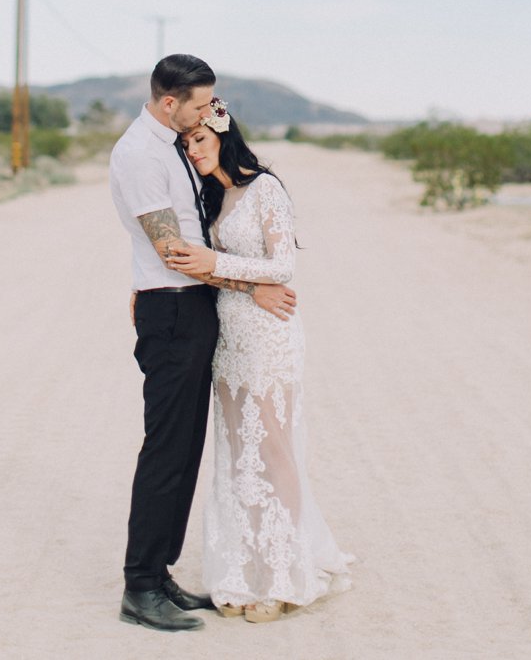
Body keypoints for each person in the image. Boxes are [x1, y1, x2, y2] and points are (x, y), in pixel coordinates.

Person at [110, 56, 297, 632]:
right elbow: (172, 252)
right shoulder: (141, 154)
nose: (208, 113)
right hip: (172, 310)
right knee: (166, 448)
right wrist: (253, 285)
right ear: (171, 103)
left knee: (186, 447)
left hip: (193, 307)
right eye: (199, 104)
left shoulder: (172, 144)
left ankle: (160, 572)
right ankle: (140, 585)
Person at [169, 97, 352, 622]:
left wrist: (223, 266)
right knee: (237, 453)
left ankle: (280, 574)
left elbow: (283, 265)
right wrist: (242, 282)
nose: (194, 150)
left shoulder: (264, 188)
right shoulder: (209, 198)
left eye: (199, 140)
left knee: (272, 451)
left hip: (269, 334)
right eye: (186, 144)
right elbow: (205, 269)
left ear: (223, 135)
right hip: (230, 336)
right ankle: (240, 572)